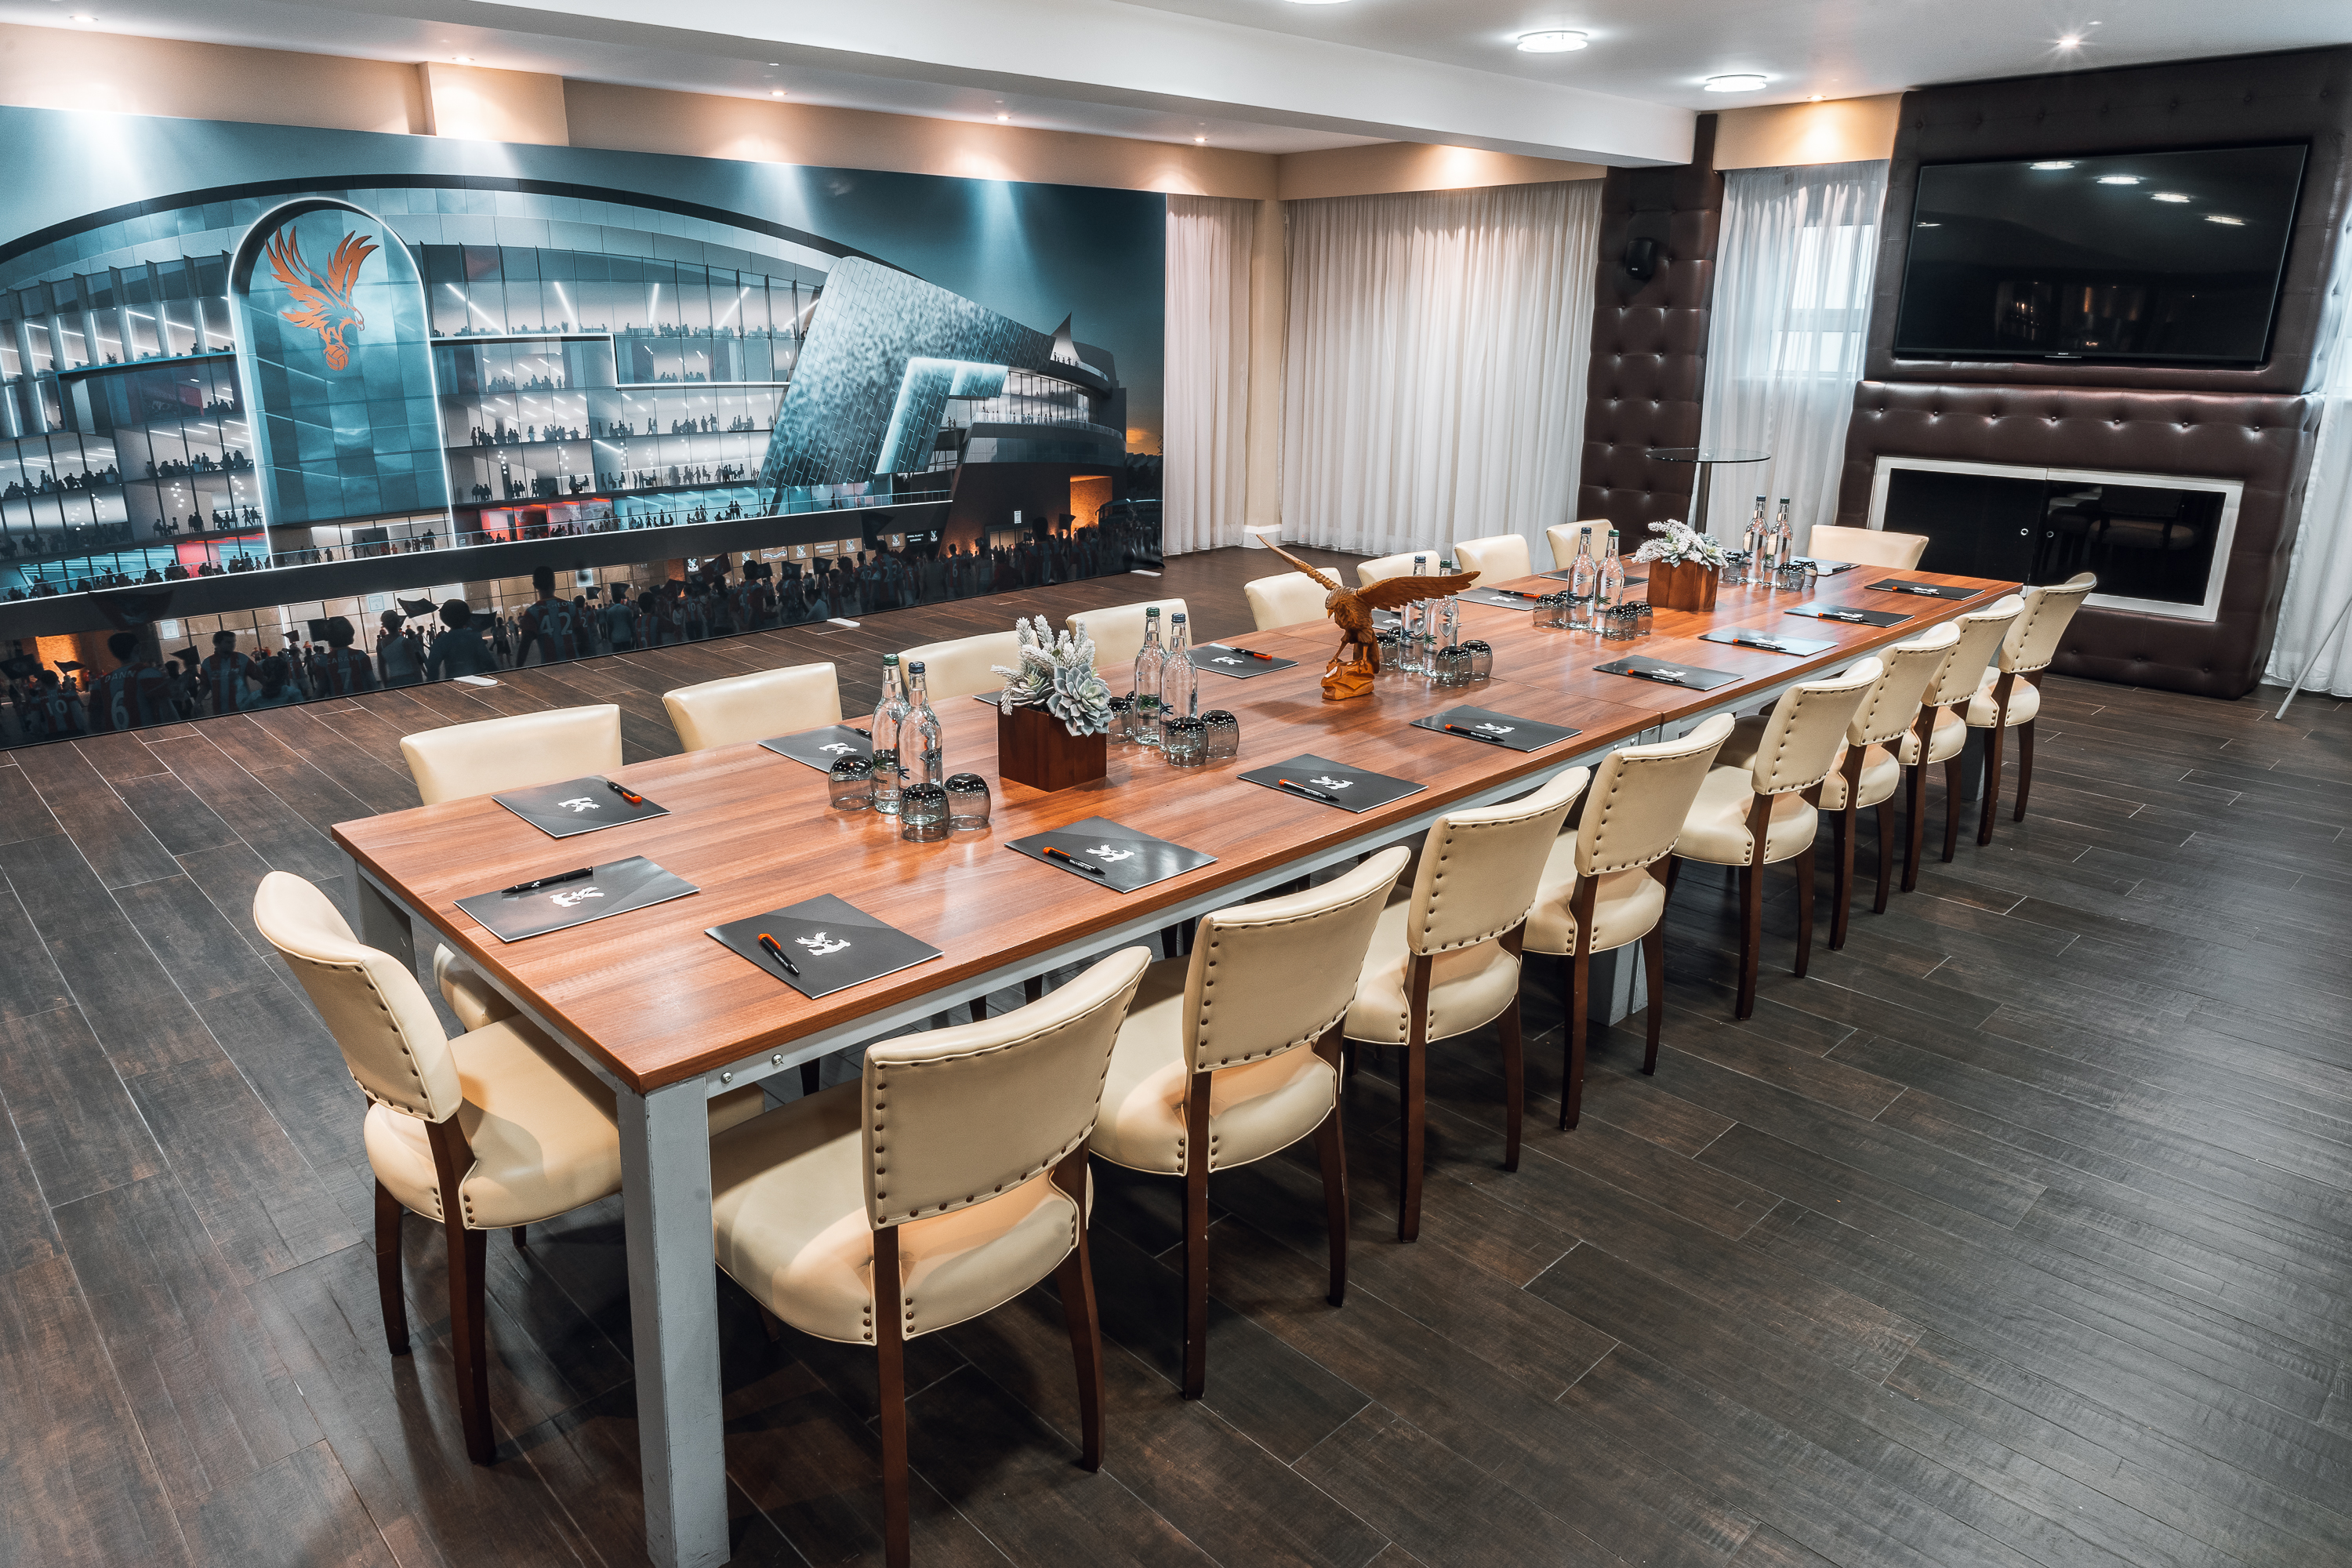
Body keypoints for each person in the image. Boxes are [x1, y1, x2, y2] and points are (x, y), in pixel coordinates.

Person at [88, 631, 176, 732]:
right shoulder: (148, 674)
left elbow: (94, 721)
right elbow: (167, 710)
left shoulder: (101, 683)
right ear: (137, 648)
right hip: (150, 737)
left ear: (113, 653)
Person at [517, 566, 583, 662]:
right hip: (574, 663)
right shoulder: (571, 606)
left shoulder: (532, 612)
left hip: (550, 666)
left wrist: (518, 670)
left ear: (535, 585)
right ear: (554, 583)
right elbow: (583, 637)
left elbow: (525, 645)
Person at [426, 600, 496, 681]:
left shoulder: (441, 642)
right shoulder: (475, 637)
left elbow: (432, 669)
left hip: (454, 683)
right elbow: (489, 662)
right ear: (467, 617)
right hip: (477, 680)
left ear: (444, 618)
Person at [317, 616, 379, 695]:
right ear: (350, 633)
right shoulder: (360, 656)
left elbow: (320, 690)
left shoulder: (323, 661)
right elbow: (372, 683)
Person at [200, 630, 253, 715]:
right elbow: (205, 686)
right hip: (220, 711)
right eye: (228, 642)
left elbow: (260, 677)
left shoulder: (242, 659)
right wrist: (197, 702)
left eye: (233, 642)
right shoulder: (208, 663)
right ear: (217, 643)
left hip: (243, 707)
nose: (232, 645)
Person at [376, 610, 423, 687]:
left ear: (384, 625)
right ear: (398, 622)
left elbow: (381, 668)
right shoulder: (405, 642)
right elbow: (415, 664)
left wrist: (386, 685)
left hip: (393, 681)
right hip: (410, 678)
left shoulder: (380, 645)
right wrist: (421, 683)